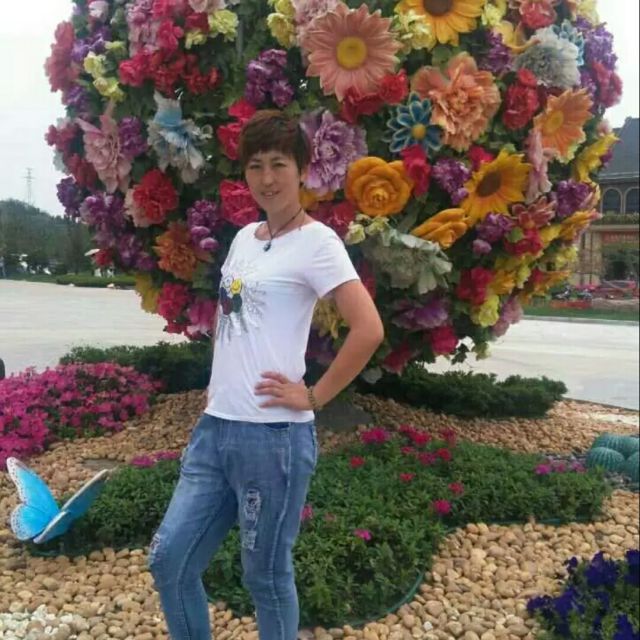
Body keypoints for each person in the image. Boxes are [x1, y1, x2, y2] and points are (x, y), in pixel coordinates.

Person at [148, 110, 384, 639]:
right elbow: (229, 316)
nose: (267, 177)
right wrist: (219, 382)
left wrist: (315, 396)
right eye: (256, 165)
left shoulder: (318, 243)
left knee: (266, 577)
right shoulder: (243, 239)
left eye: (279, 163)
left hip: (273, 438)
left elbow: (368, 329)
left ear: (301, 169)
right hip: (215, 430)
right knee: (169, 560)